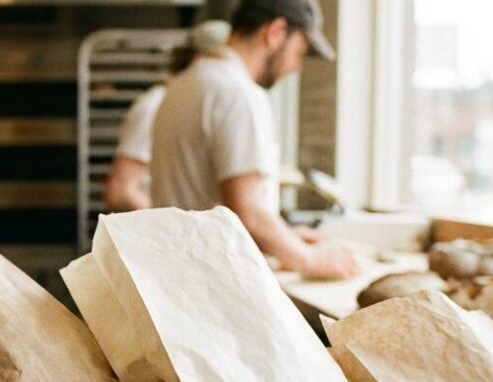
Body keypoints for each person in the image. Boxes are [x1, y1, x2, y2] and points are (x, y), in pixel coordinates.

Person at [150, 0, 359, 280]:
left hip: (178, 275)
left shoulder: (186, 84)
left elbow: (201, 199)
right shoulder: (239, 95)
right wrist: (310, 258)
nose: (295, 67)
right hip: (218, 283)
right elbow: (246, 211)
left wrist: (285, 238)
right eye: (299, 51)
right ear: (276, 32)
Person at [105, 20, 232, 213]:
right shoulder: (153, 106)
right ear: (199, 59)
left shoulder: (189, 103)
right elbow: (121, 192)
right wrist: (170, 225)